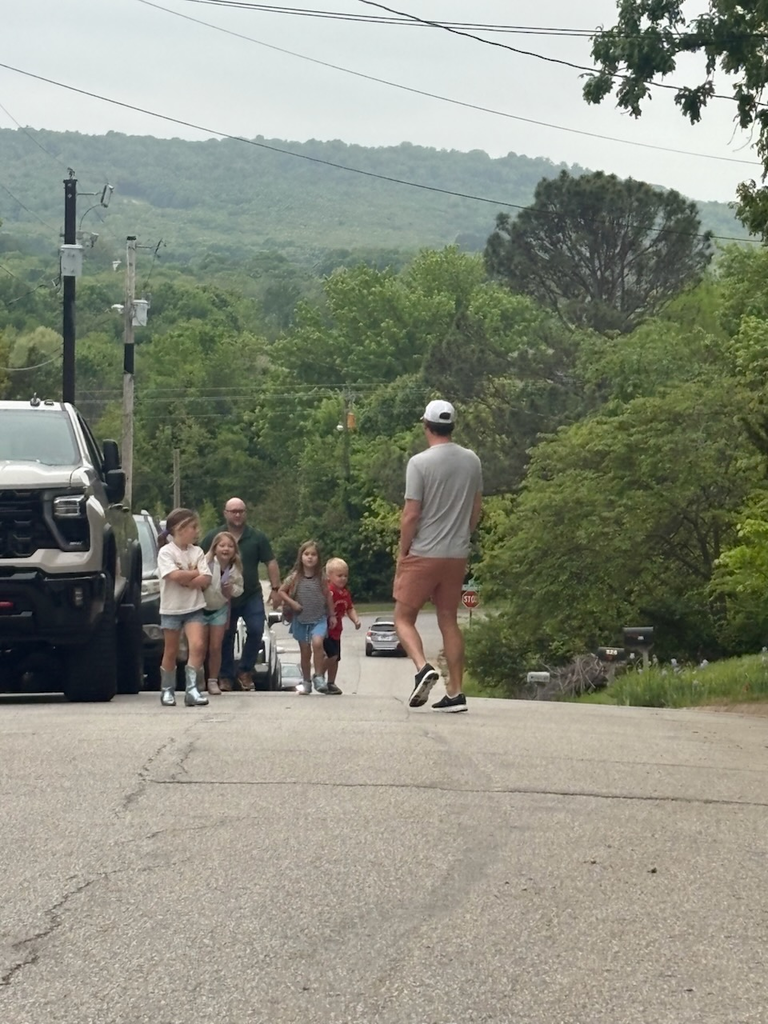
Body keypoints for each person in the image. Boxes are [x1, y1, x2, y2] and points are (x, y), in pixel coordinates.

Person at [393, 400, 483, 713]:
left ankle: (422, 668)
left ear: (426, 425)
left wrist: (403, 551)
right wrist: (464, 536)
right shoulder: (472, 460)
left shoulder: (419, 463)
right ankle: (456, 693)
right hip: (456, 553)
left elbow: (411, 514)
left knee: (403, 617)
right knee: (448, 619)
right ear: (452, 426)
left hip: (424, 552)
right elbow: (476, 507)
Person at [202, 498, 281, 692]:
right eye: (233, 511)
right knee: (225, 636)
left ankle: (245, 670)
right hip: (221, 597)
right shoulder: (214, 536)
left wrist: (276, 588)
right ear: (225, 513)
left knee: (256, 630)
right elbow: (200, 559)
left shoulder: (257, 537)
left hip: (250, 594)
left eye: (241, 511)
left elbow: (270, 562)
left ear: (245, 513)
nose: (237, 515)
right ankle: (225, 676)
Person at [156, 507, 212, 708]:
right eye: (193, 527)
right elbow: (173, 576)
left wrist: (190, 578)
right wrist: (193, 574)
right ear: (179, 529)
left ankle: (192, 689)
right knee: (171, 651)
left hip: (194, 607)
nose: (196, 531)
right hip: (172, 609)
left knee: (197, 645)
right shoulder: (166, 552)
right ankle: (167, 689)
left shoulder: (197, 551)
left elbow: (206, 577)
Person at [278, 540, 336, 695]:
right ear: (301, 556)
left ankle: (318, 676)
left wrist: (332, 615)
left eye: (313, 554)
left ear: (318, 558)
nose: (310, 557)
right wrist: (292, 603)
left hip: (319, 618)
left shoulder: (322, 578)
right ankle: (306, 681)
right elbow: (281, 591)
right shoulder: (295, 577)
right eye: (307, 554)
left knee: (318, 643)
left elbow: (328, 597)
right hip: (301, 619)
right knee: (305, 652)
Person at [203, 532, 244, 695]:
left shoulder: (235, 568)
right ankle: (198, 678)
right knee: (199, 646)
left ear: (235, 550)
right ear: (215, 548)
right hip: (201, 608)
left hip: (220, 608)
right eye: (222, 545)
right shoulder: (206, 562)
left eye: (230, 546)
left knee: (215, 646)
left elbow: (240, 589)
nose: (226, 549)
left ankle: (213, 680)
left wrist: (231, 590)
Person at [323, 557, 362, 696]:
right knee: (331, 656)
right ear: (329, 576)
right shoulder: (328, 591)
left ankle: (331, 683)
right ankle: (318, 676)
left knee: (336, 658)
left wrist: (356, 620)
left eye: (345, 575)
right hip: (325, 629)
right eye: (339, 576)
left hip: (337, 631)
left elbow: (349, 608)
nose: (343, 579)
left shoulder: (345, 593)